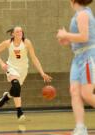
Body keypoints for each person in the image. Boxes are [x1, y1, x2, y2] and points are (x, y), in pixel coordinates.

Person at [0, 26, 52, 121]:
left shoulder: (27, 43)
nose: (20, 33)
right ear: (12, 34)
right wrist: (2, 64)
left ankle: (6, 97)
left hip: (23, 70)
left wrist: (42, 73)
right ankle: (19, 113)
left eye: (21, 31)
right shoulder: (8, 43)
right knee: (16, 87)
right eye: (17, 31)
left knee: (15, 90)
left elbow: (34, 58)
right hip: (11, 67)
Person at [57, 0, 95, 134]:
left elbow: (85, 37)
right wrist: (67, 40)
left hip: (88, 57)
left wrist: (65, 34)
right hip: (78, 57)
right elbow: (78, 37)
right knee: (74, 91)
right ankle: (80, 128)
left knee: (87, 94)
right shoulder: (78, 14)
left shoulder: (83, 14)